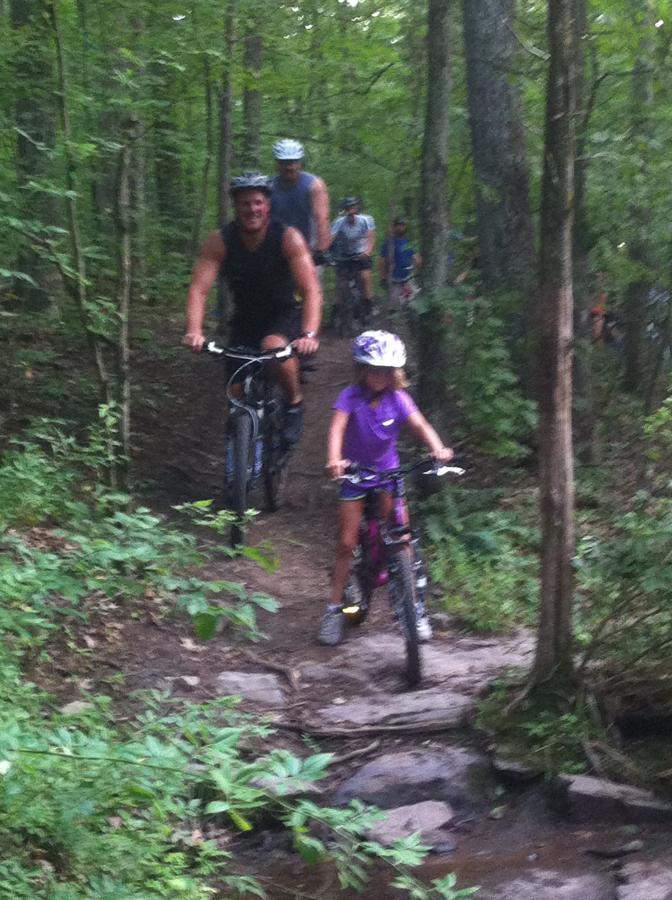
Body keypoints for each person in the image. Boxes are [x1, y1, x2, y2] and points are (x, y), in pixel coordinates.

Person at [319, 330, 454, 647]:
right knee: (346, 542)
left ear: (395, 372)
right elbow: (337, 427)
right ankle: (333, 609)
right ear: (362, 369)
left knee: (402, 537)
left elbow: (420, 425)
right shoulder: (349, 397)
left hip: (388, 475)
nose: (380, 376)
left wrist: (438, 448)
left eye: (386, 370)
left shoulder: (399, 398)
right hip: (355, 474)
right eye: (373, 369)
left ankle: (415, 610)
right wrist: (334, 460)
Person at [184, 172, 321, 448]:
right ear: (236, 207)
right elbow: (198, 290)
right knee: (235, 393)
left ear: (267, 205)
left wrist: (308, 334)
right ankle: (240, 469)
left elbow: (311, 291)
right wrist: (194, 331)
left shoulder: (287, 238)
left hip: (281, 315)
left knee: (273, 348)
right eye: (245, 204)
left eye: (258, 203)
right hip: (244, 321)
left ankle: (294, 404)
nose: (252, 209)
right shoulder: (220, 241)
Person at [270, 138, 331, 266]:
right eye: (285, 162)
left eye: (293, 162)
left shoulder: (313, 185)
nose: (290, 167)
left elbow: (322, 218)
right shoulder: (268, 186)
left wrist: (321, 250)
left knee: (309, 285)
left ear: (300, 162)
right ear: (277, 163)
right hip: (276, 249)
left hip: (308, 249)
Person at [330, 197, 376, 315]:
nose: (350, 212)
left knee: (365, 278)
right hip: (345, 254)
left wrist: (367, 252)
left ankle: (370, 305)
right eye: (348, 209)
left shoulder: (366, 220)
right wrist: (326, 254)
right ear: (345, 210)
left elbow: (370, 238)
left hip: (362, 253)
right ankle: (336, 309)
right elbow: (330, 239)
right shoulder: (339, 222)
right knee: (341, 283)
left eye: (352, 208)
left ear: (356, 209)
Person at [378, 217, 422, 311]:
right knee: (394, 307)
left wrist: (418, 267)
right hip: (394, 278)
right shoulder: (389, 243)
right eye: (399, 225)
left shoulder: (408, 242)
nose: (401, 228)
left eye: (403, 225)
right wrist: (382, 277)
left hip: (408, 277)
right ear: (394, 227)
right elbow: (382, 261)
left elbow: (417, 258)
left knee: (413, 303)